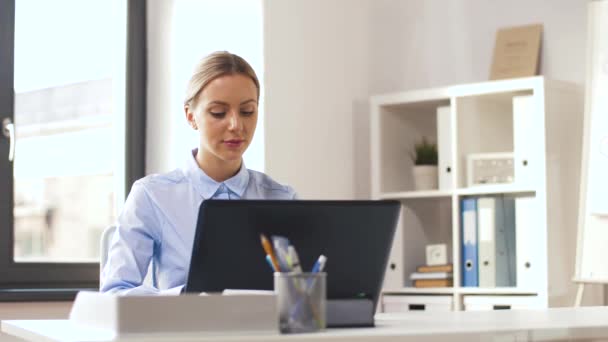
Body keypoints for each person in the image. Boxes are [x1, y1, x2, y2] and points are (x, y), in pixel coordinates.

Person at [100, 51, 296, 295]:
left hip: (261, 332)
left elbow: (299, 291)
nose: (236, 125)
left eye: (247, 111)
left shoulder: (283, 199)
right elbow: (114, 292)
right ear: (191, 116)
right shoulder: (152, 196)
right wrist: (188, 297)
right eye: (218, 113)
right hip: (186, 331)